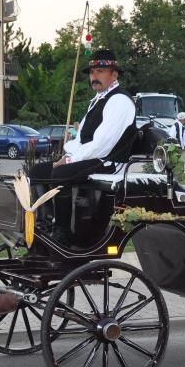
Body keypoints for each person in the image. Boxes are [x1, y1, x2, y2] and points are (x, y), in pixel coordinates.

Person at [29, 49, 137, 233]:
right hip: (92, 158)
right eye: (92, 72)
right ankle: (43, 225)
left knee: (60, 174)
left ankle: (63, 232)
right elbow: (80, 140)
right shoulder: (97, 101)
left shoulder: (119, 101)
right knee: (36, 171)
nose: (94, 76)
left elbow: (102, 144)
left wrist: (69, 161)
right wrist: (68, 156)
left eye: (100, 72)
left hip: (109, 162)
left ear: (114, 74)